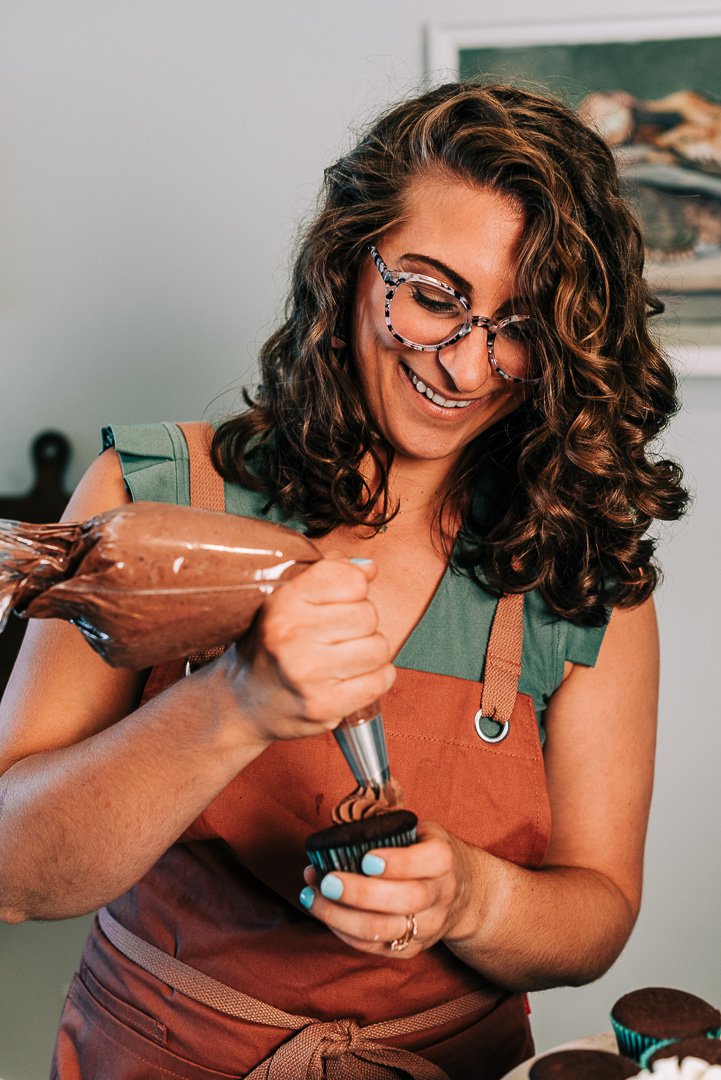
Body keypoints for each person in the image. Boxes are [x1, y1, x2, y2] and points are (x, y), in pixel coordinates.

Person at [0, 82, 688, 1080]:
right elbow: (13, 873)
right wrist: (235, 702)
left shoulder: (584, 571)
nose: (467, 367)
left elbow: (595, 917)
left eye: (520, 324)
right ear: (348, 264)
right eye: (433, 295)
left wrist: (470, 900)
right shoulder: (155, 493)